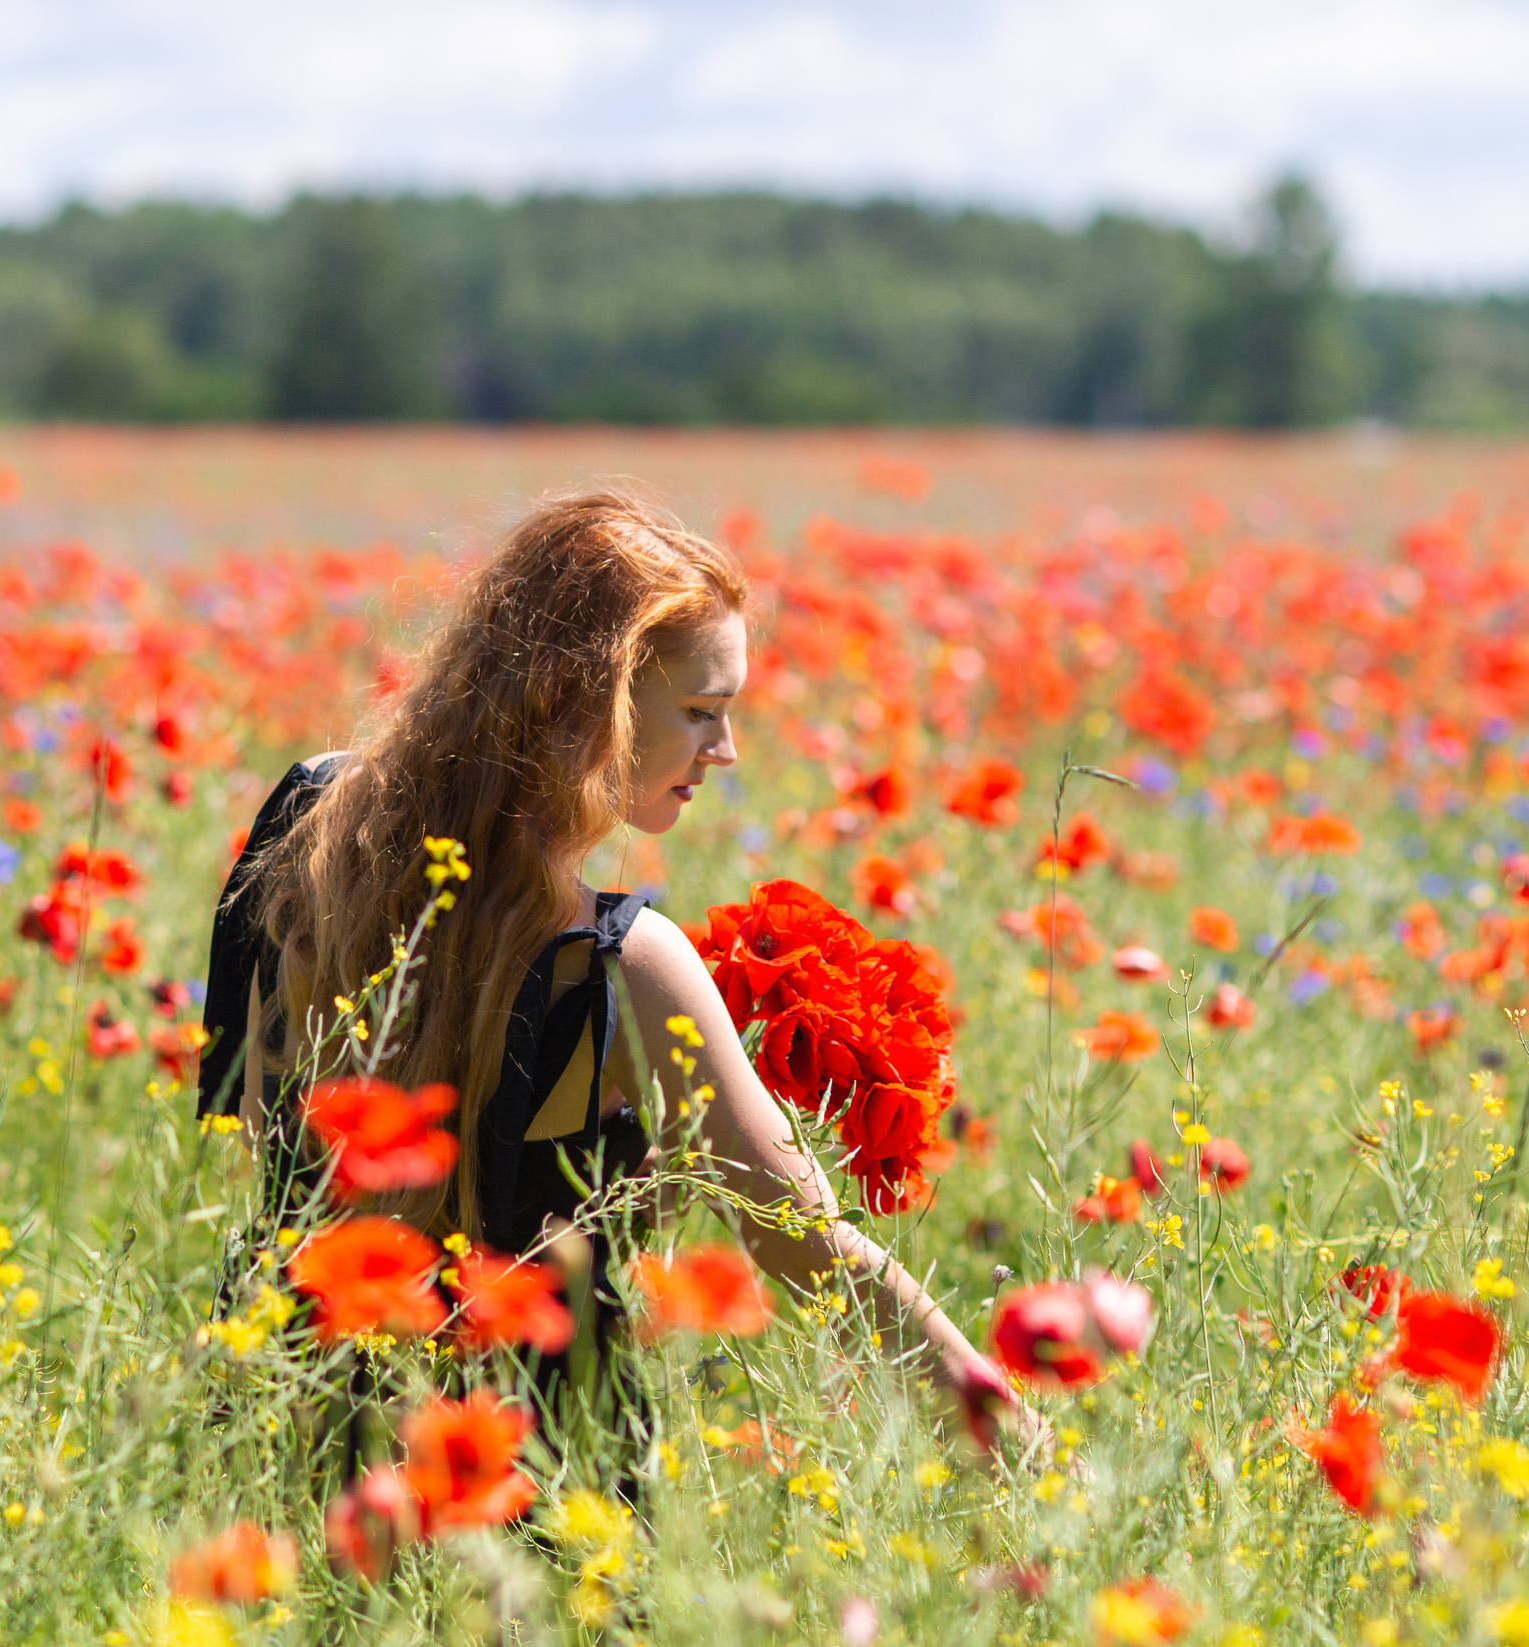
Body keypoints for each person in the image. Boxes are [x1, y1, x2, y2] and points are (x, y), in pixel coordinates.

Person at [195, 489, 1019, 1445]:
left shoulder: (307, 823)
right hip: (519, 1459)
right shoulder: (621, 964)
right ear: (590, 704)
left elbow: (266, 1130)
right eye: (703, 711)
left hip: (278, 1405)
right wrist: (1014, 1434)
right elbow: (810, 1244)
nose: (726, 749)